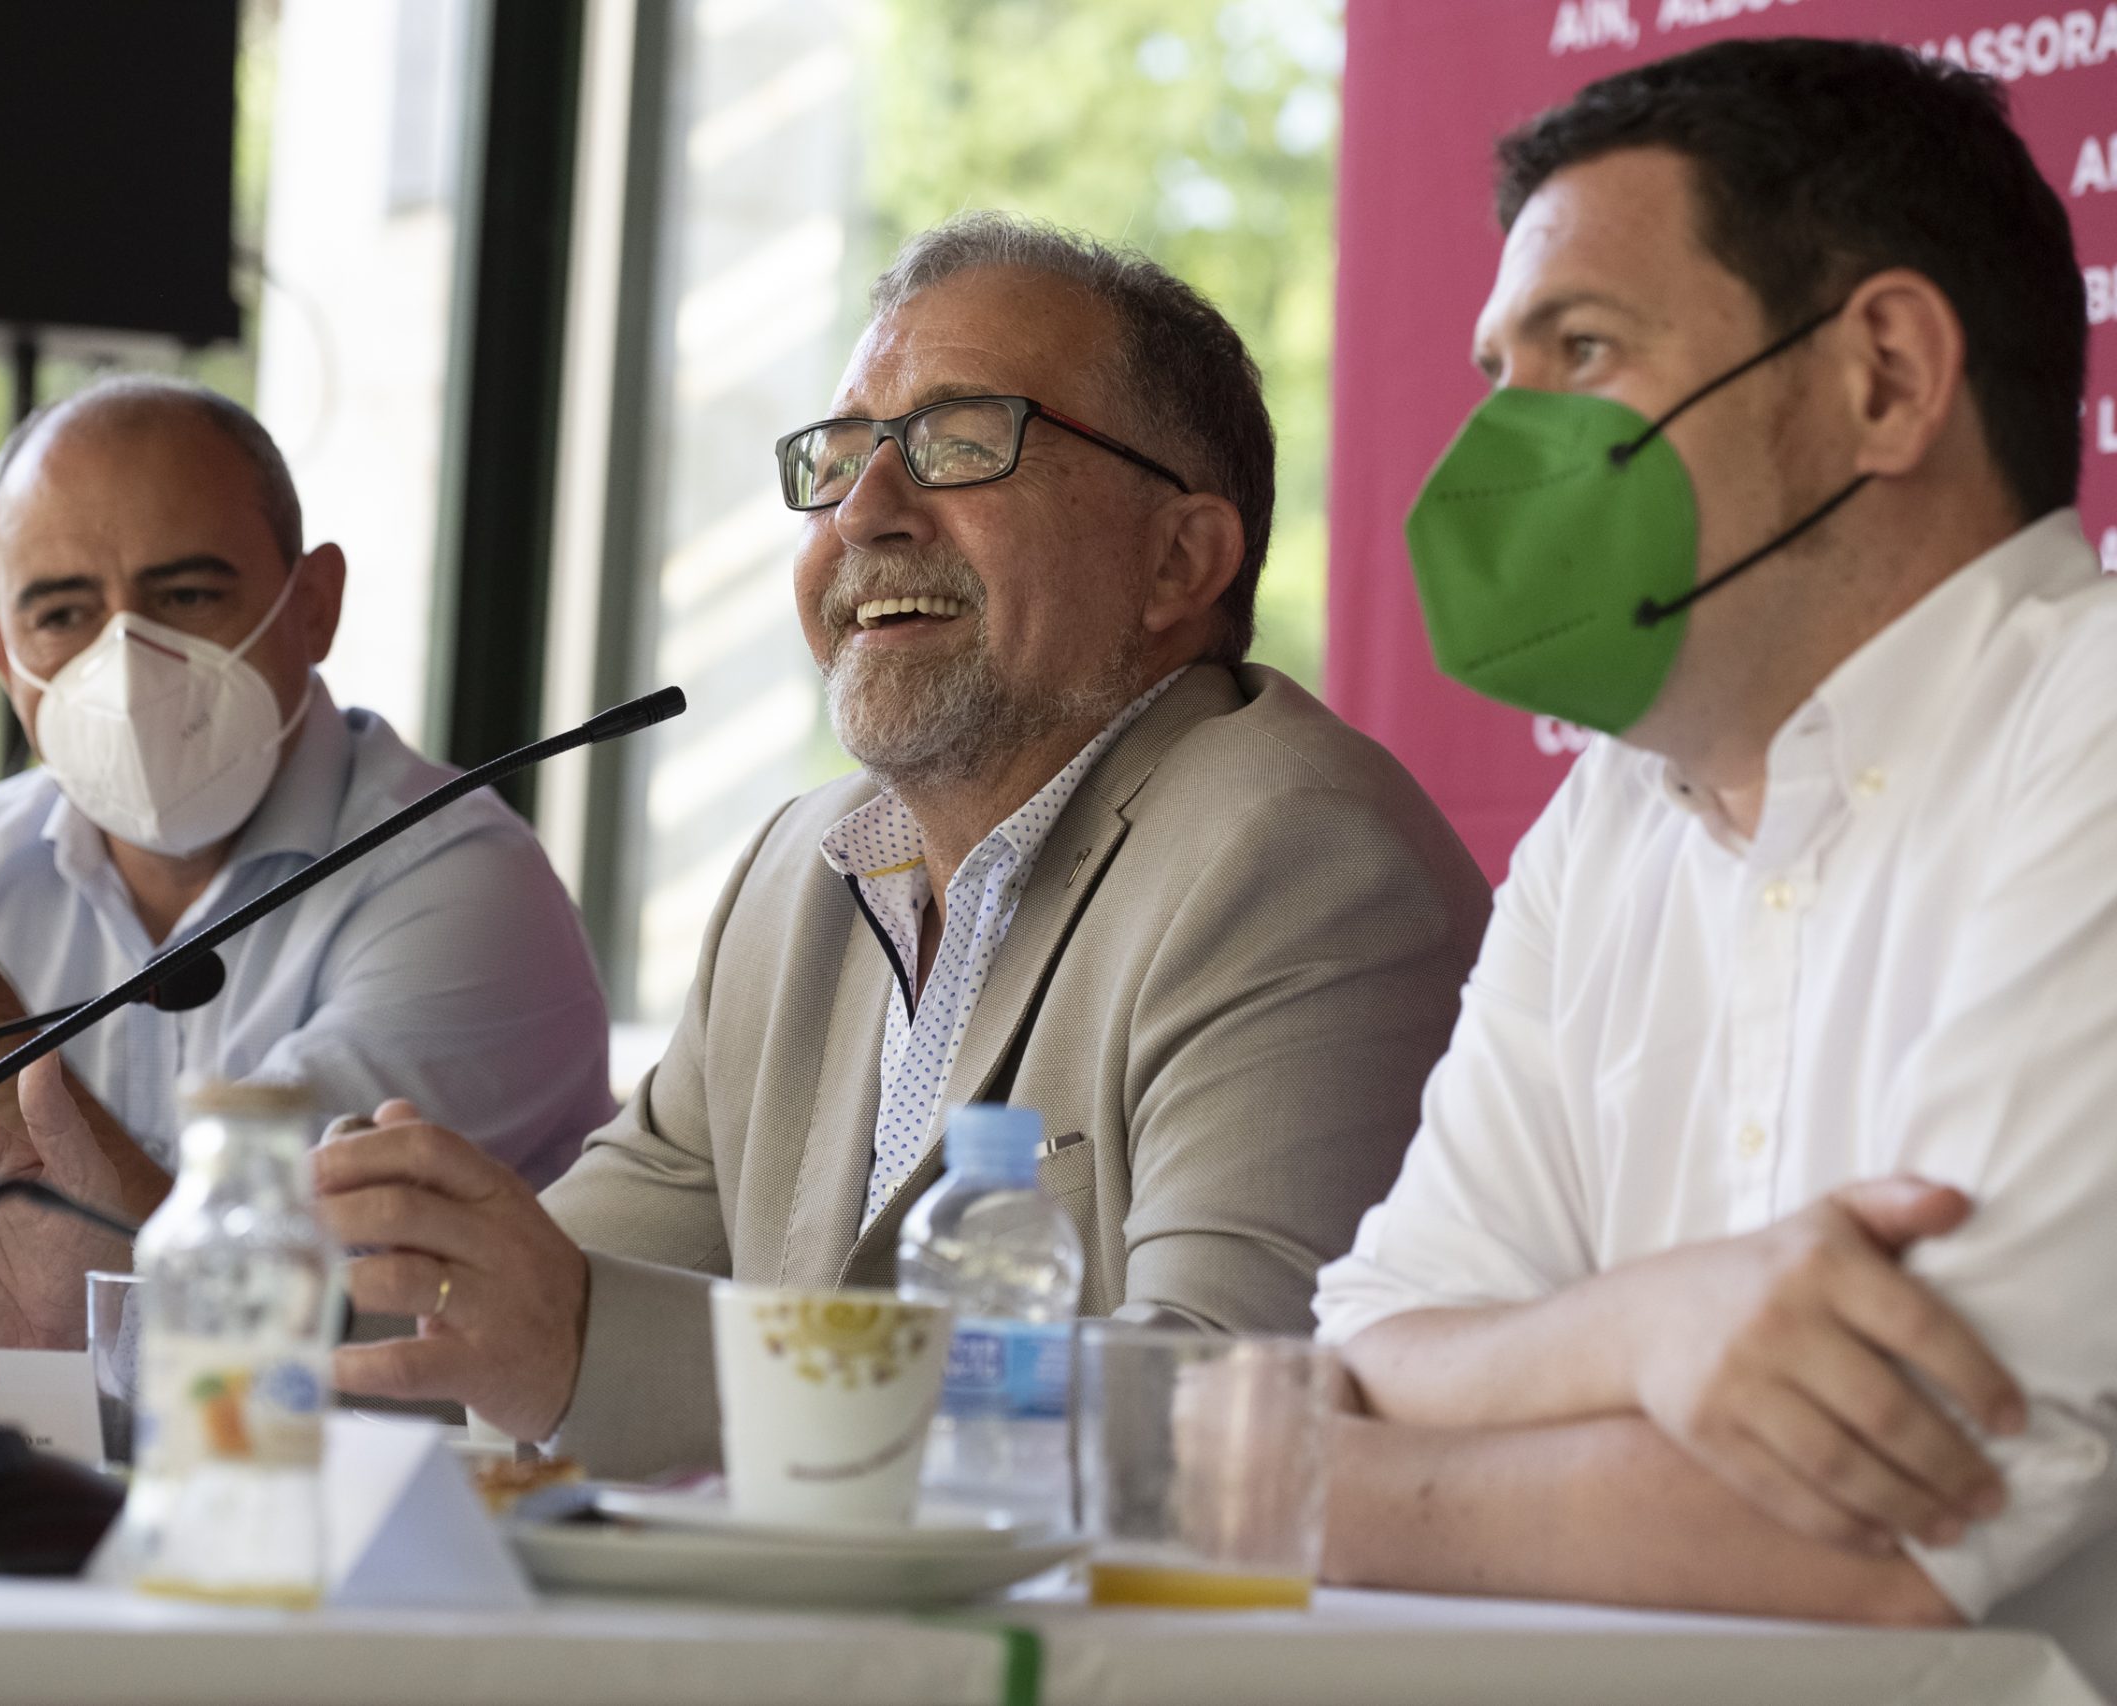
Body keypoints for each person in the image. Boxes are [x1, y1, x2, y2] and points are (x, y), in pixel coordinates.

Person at [302, 214, 1492, 1475]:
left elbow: (1218, 1413)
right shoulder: (795, 875)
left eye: (960, 442)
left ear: (1177, 558)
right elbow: (531, 1323)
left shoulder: (1297, 858)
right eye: (838, 455)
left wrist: (583, 1341)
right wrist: (290, 1266)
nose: (865, 510)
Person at [1312, 37, 2117, 1668]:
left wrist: (1306, 1490)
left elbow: (1893, 1521)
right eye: (1497, 376)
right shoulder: (1605, 820)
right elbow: (1375, 1335)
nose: (1492, 463)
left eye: (1583, 349)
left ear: (1883, 376)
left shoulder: (2092, 719)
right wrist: (1649, 1326)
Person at [0, 380, 614, 1333]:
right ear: (4, 659)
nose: (128, 656)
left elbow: (226, 1315)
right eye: (64, 614)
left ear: (313, 606)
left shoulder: (466, 886)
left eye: (187, 594)